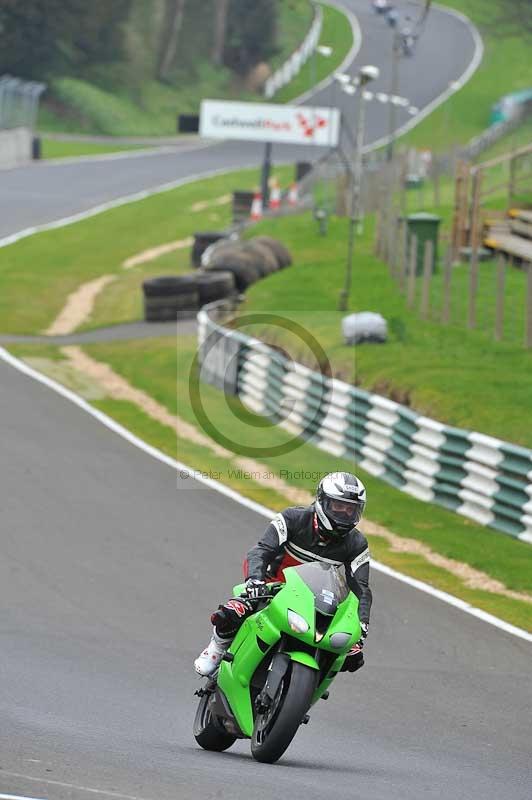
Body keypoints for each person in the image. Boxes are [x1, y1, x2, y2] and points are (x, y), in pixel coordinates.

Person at [194, 471, 372, 677]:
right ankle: (216, 648)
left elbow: (361, 589)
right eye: (338, 506)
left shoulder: (357, 543)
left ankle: (311, 687)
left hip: (319, 603)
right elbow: (261, 551)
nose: (345, 514)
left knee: (350, 654)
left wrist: (361, 624)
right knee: (234, 610)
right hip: (273, 588)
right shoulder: (292, 518)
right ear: (322, 502)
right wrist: (255, 580)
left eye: (351, 510)